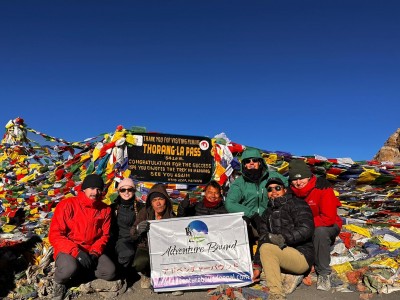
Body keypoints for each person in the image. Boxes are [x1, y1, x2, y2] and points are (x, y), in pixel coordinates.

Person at [49, 174, 116, 300]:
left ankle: (79, 275)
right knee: (69, 267)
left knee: (110, 271)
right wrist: (77, 252)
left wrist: (95, 253)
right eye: (91, 188)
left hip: (91, 250)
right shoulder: (67, 205)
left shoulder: (105, 210)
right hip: (68, 250)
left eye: (99, 189)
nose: (95, 192)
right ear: (84, 189)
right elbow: (56, 235)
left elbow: (104, 235)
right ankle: (58, 282)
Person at [252, 177, 315, 300]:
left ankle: (277, 295)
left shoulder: (297, 204)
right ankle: (286, 277)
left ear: (285, 190)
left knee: (267, 248)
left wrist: (282, 238)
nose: (273, 191)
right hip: (281, 255)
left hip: (301, 255)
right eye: (270, 189)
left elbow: (306, 229)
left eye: (277, 188)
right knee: (265, 246)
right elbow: (263, 240)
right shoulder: (267, 213)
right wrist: (257, 266)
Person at [288, 159, 342, 291]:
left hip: (327, 225)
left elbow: (328, 218)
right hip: (304, 226)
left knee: (320, 233)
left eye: (302, 178)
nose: (299, 182)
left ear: (309, 176)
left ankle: (323, 273)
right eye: (295, 179)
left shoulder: (323, 189)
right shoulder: (290, 192)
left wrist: (304, 227)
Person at [225, 147, 287, 254]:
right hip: (252, 223)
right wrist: (252, 215)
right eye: (248, 161)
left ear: (260, 162)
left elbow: (294, 186)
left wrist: (317, 181)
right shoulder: (239, 183)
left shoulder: (272, 176)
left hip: (272, 220)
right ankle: (245, 258)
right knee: (241, 223)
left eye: (254, 160)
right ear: (244, 165)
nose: (251, 163)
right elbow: (230, 203)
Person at [130, 183, 175, 290]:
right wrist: (138, 229)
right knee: (139, 263)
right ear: (151, 203)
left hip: (164, 249)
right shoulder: (145, 212)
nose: (158, 203)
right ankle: (146, 274)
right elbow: (132, 233)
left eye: (160, 199)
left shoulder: (171, 215)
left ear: (166, 200)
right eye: (154, 200)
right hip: (146, 247)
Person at [109, 177, 145, 276]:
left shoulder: (141, 207)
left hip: (138, 239)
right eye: (123, 189)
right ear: (119, 191)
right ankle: (122, 275)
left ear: (134, 191)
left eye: (130, 189)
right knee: (127, 253)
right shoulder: (112, 208)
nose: (126, 192)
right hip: (121, 241)